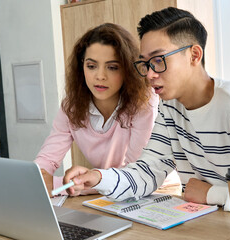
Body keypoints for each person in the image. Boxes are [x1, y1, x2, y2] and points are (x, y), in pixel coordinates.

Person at [64, 7, 230, 218]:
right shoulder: (170, 106)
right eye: (146, 63)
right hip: (212, 223)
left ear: (194, 55)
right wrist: (98, 177)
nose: (149, 74)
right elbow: (147, 172)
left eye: (158, 60)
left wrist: (213, 194)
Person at [35, 23, 159, 196]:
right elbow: (47, 159)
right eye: (91, 66)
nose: (100, 76)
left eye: (112, 67)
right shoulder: (71, 106)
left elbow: (134, 175)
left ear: (128, 70)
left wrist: (60, 184)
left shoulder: (144, 103)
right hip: (107, 193)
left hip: (154, 191)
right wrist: (38, 177)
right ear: (81, 67)